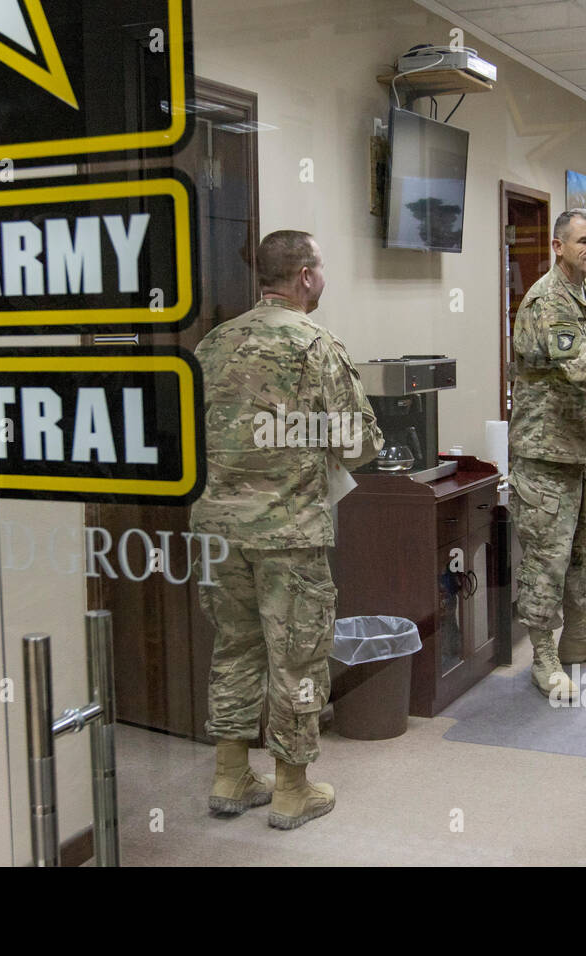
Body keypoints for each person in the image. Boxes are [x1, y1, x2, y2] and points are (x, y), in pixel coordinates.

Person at [189, 229, 383, 829]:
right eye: (321, 268)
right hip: (289, 534)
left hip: (219, 530)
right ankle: (292, 788)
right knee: (298, 658)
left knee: (234, 649)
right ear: (304, 276)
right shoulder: (316, 345)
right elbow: (360, 445)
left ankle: (230, 774)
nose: (323, 278)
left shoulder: (213, 344)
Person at [508, 209, 586, 700]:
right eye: (583, 241)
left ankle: (577, 635)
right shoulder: (549, 300)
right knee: (546, 558)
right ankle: (544, 655)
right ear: (558, 246)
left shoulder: (585, 297)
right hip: (544, 452)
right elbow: (583, 368)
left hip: (577, 451)